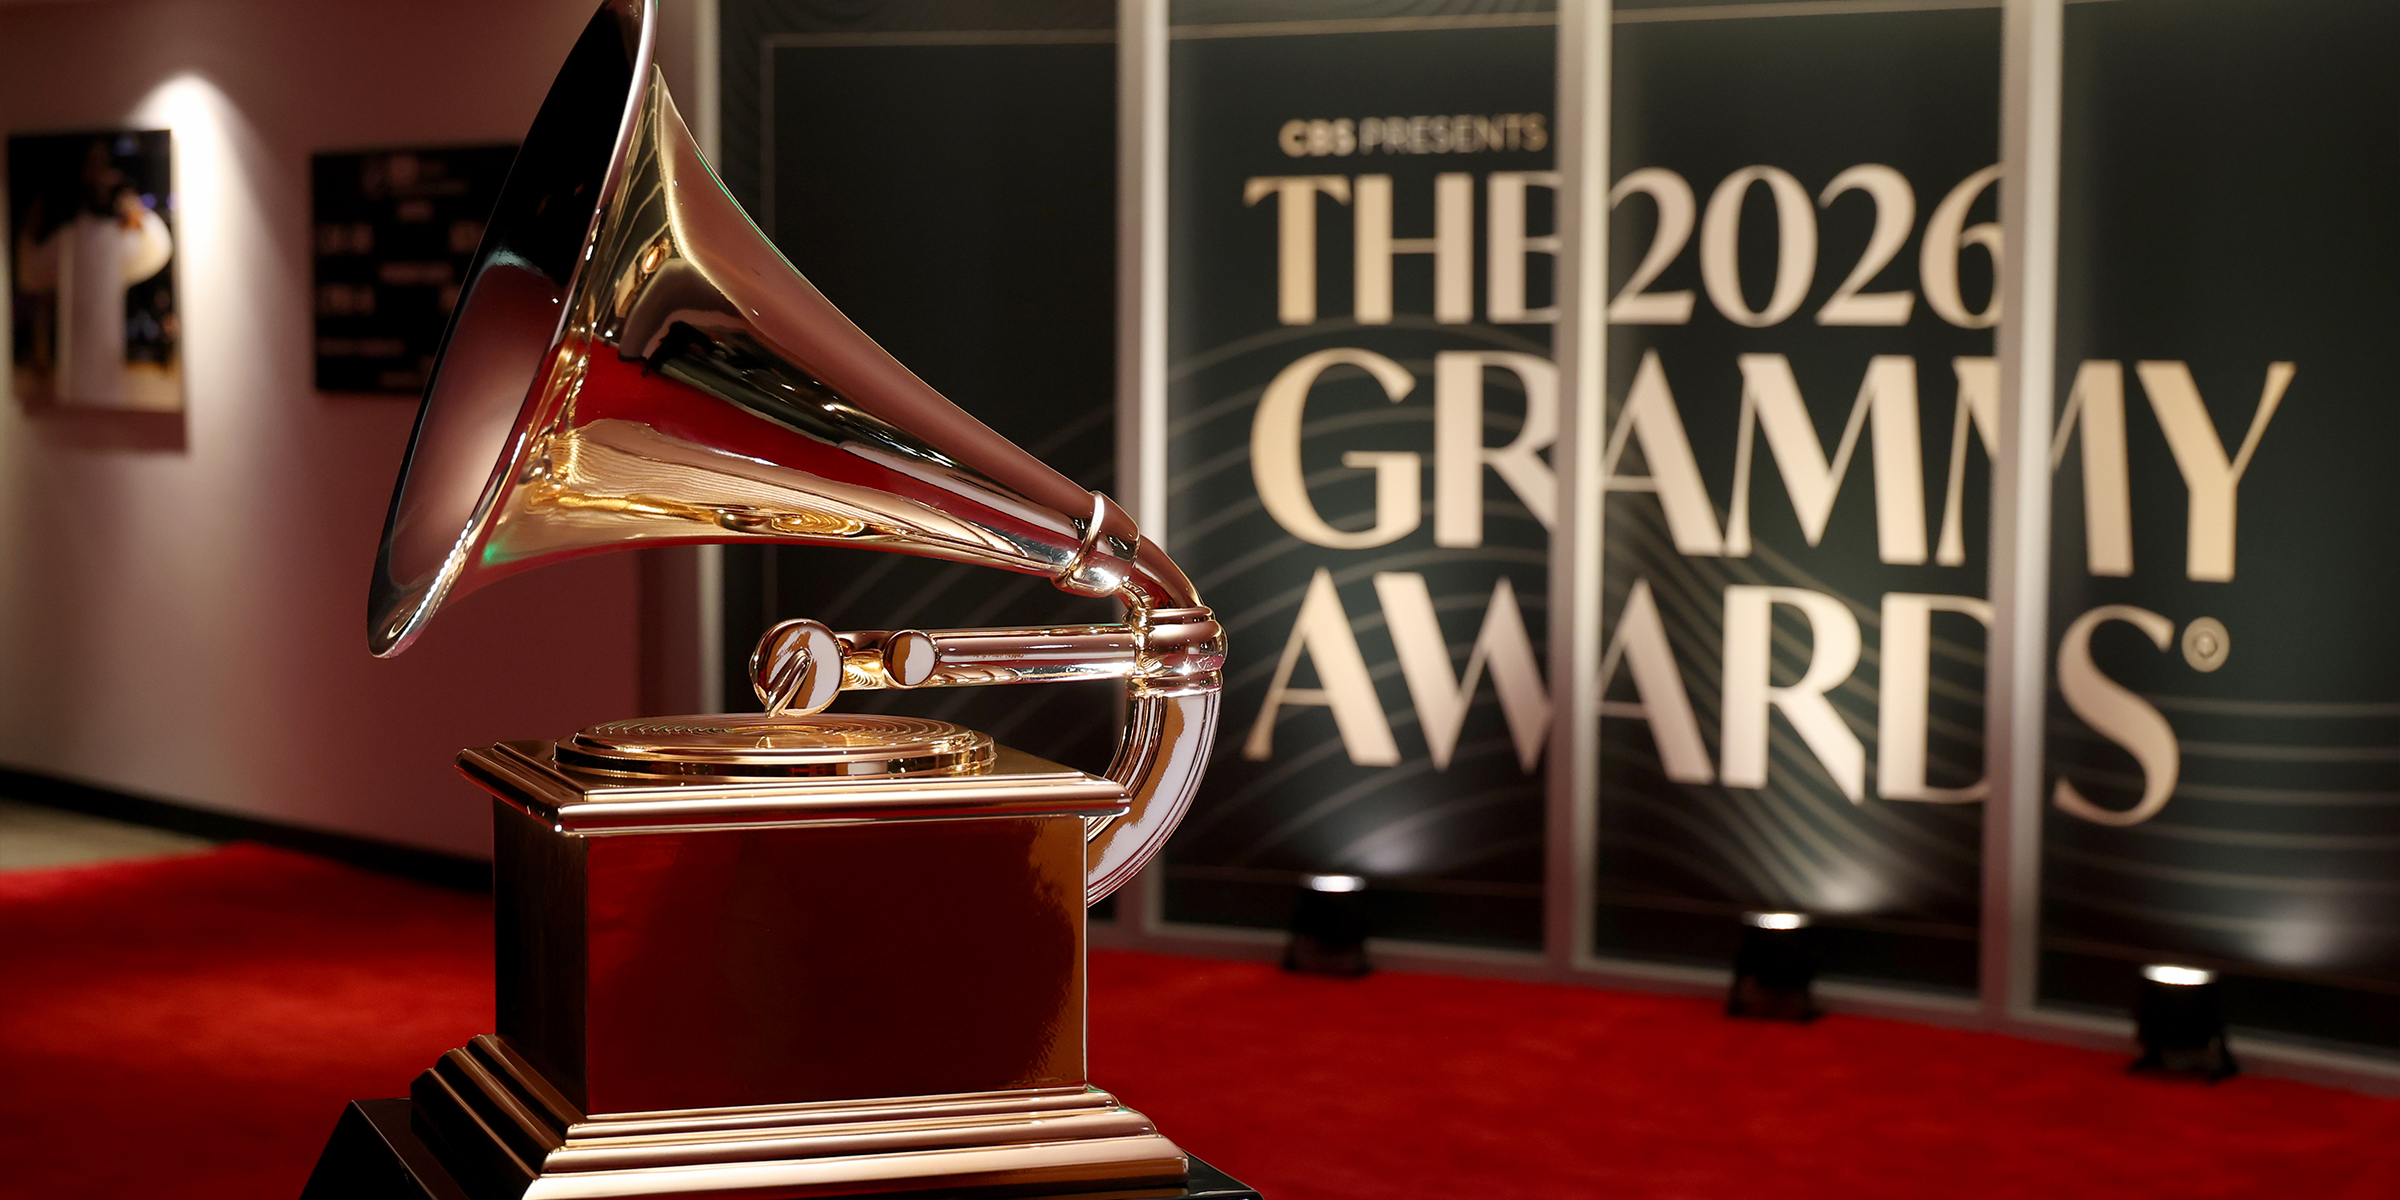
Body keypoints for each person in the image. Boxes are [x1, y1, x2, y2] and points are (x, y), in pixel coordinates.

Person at [13, 140, 172, 406]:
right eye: (92, 166)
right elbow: (30, 273)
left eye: (103, 166)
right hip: (73, 374)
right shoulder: (68, 240)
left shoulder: (112, 239)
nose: (99, 178)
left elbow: (158, 248)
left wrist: (138, 214)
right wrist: (30, 227)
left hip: (106, 374)